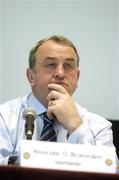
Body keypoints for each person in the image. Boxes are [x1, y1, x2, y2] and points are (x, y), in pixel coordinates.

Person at [0, 35, 117, 165]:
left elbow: (108, 170)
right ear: (31, 76)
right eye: (51, 64)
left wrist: (76, 127)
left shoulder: (99, 127)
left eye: (68, 65)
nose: (60, 73)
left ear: (77, 77)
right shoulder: (4, 118)